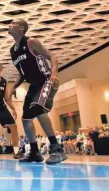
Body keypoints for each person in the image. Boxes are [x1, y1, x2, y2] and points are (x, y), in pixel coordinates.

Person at [8, 19, 67, 164]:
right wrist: (12, 88)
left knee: (38, 109)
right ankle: (34, 152)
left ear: (21, 28)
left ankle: (57, 149)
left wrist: (54, 74)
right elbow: (22, 74)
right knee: (26, 119)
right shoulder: (12, 51)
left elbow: (52, 56)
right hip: (33, 86)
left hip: (46, 80)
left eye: (12, 23)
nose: (9, 25)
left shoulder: (31, 42)